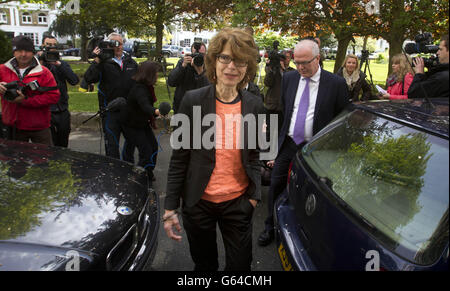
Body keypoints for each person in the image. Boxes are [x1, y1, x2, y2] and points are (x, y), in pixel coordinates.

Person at [163, 28, 265, 271]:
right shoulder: (192, 100)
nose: (232, 66)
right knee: (204, 266)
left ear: (248, 66)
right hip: (198, 203)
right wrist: (170, 208)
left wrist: (253, 197)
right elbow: (179, 158)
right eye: (225, 58)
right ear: (214, 60)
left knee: (240, 267)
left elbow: (258, 154)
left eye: (240, 61)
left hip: (238, 202)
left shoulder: (255, 105)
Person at [257, 39, 349, 246]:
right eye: (296, 62)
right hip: (288, 144)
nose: (300, 67)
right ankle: (270, 226)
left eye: (305, 62)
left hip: (317, 149)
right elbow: (284, 113)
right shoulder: (289, 79)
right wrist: (273, 147)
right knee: (275, 184)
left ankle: (306, 233)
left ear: (318, 59)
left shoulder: (335, 84)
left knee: (313, 191)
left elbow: (342, 120)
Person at [84, 32, 137, 161]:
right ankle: (113, 172)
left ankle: (128, 168)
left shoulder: (130, 62)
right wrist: (97, 60)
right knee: (112, 145)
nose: (118, 46)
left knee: (131, 142)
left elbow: (138, 84)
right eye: (114, 43)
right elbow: (89, 78)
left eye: (120, 43)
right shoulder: (103, 62)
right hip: (110, 111)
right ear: (108, 45)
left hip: (128, 110)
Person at [0, 35, 60, 145]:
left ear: (33, 52)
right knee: (14, 160)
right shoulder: (2, 70)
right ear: (14, 52)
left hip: (39, 127)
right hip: (12, 126)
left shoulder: (44, 72)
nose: (23, 54)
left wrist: (25, 101)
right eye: (19, 51)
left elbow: (54, 96)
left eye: (27, 51)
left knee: (43, 159)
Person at [121, 61, 161, 184]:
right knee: (146, 151)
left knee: (153, 147)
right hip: (131, 125)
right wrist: (156, 111)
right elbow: (145, 105)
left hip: (142, 123)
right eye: (156, 73)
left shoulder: (147, 87)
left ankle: (147, 172)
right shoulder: (139, 89)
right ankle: (136, 178)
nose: (157, 76)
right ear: (149, 74)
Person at [38, 35, 79, 147]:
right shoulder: (38, 64)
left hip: (62, 108)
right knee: (49, 143)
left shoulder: (62, 64)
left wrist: (58, 64)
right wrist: (41, 61)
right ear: (42, 46)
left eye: (54, 45)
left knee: (63, 141)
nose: (51, 47)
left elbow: (74, 80)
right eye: (48, 45)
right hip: (46, 109)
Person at [167, 41, 210, 114]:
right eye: (195, 54)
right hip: (182, 108)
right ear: (190, 54)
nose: (198, 57)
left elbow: (210, 90)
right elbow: (171, 82)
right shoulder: (184, 63)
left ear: (206, 55)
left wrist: (200, 72)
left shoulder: (209, 66)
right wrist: (182, 66)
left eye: (201, 55)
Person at [264, 49, 295, 139]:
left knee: (282, 131)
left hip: (285, 106)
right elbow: (267, 83)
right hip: (273, 105)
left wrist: (283, 70)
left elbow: (290, 84)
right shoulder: (273, 70)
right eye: (282, 58)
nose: (285, 60)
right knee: (271, 131)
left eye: (287, 58)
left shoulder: (292, 71)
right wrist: (272, 70)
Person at [408, 34, 449, 98]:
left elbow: (413, 94)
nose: (437, 53)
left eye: (440, 49)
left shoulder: (442, 78)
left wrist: (419, 74)